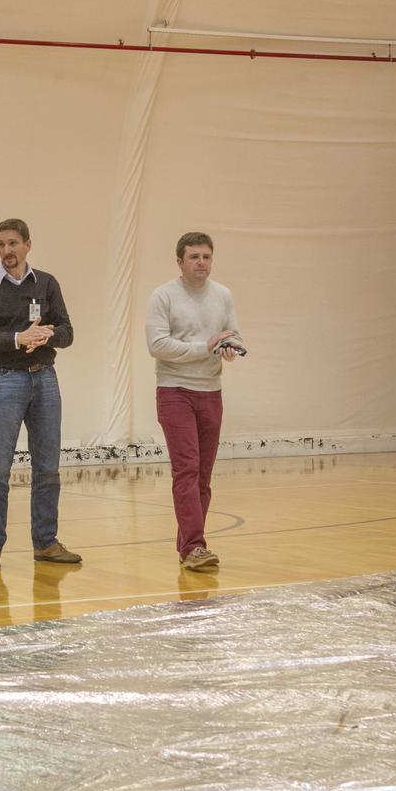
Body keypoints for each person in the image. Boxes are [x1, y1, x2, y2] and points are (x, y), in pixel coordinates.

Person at [0, 219, 82, 571]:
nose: (7, 251)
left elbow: (68, 331)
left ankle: (46, 542)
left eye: (13, 243)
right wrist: (18, 338)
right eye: (1, 244)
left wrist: (46, 335)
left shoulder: (46, 283)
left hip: (44, 378)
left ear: (28, 244)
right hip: (2, 380)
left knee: (48, 467)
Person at [146, 232, 244, 572]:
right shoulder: (163, 296)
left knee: (202, 476)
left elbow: (231, 334)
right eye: (194, 257)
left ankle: (188, 545)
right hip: (174, 391)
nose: (201, 262)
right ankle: (194, 546)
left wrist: (230, 348)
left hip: (211, 392)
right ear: (179, 261)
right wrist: (205, 347)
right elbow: (157, 345)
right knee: (186, 469)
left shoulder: (223, 295)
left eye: (206, 256)